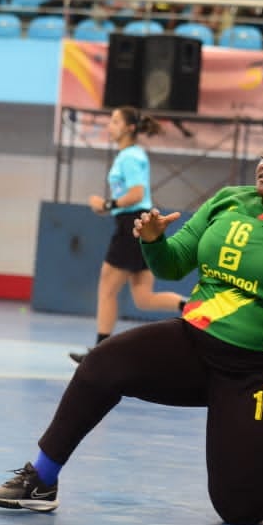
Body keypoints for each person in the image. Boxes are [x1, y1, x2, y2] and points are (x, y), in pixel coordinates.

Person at [0, 131, 263, 525]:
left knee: (239, 509)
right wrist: (154, 241)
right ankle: (40, 481)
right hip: (196, 344)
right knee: (101, 364)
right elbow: (172, 265)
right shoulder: (229, 201)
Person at [67, 107, 187, 363]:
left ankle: (99, 354)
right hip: (137, 223)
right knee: (143, 297)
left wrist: (106, 204)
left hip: (131, 225)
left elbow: (136, 193)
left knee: (107, 289)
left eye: (115, 121)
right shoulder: (131, 155)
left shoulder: (130, 157)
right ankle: (189, 306)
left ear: (130, 128)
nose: (109, 126)